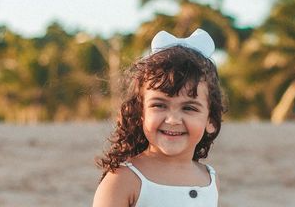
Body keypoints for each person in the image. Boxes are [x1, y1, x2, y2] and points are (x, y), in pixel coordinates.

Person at [93, 29, 225, 207]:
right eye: (159, 105)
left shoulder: (209, 179)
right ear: (140, 112)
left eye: (189, 108)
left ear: (211, 121)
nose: (172, 119)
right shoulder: (123, 180)